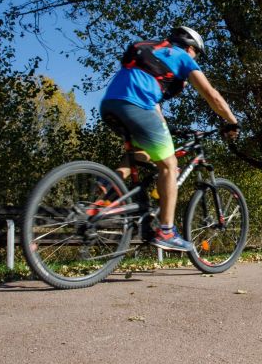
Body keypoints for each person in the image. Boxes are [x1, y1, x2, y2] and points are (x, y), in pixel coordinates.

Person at [100, 26, 239, 252]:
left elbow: (154, 105)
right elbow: (212, 95)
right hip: (137, 105)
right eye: (197, 53)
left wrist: (163, 128)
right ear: (190, 47)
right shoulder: (183, 57)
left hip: (110, 104)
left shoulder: (151, 51)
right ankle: (166, 231)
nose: (195, 57)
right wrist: (232, 121)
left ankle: (106, 190)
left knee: (142, 152)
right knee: (170, 164)